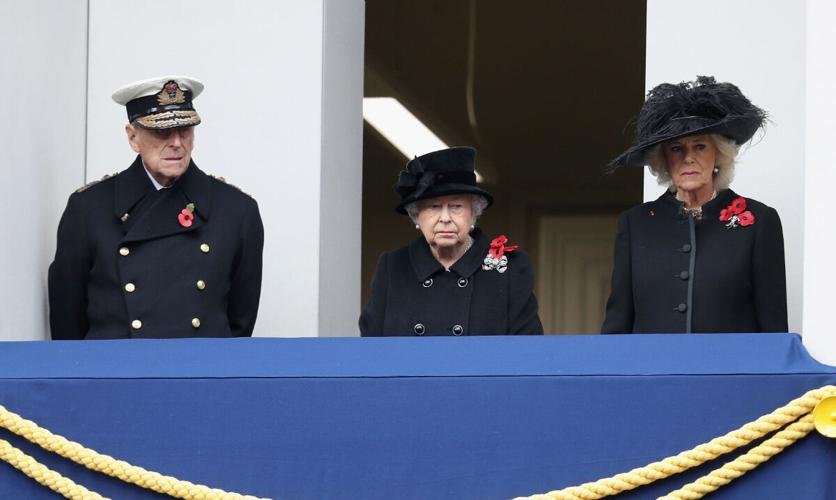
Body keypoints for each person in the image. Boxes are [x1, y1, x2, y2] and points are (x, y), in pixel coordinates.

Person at [48, 76, 264, 339]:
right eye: (161, 132)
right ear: (133, 137)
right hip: (116, 375)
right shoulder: (88, 209)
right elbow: (67, 326)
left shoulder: (236, 211)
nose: (176, 143)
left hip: (198, 373)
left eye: (184, 130)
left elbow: (240, 326)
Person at [601, 76, 787, 334]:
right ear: (664, 160)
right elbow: (618, 324)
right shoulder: (636, 223)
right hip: (654, 371)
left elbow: (773, 330)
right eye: (677, 148)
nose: (689, 158)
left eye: (700, 147)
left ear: (718, 154)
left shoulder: (759, 221)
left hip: (729, 371)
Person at [359, 147, 543, 336]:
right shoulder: (393, 267)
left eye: (456, 206)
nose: (445, 217)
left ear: (473, 214)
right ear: (416, 215)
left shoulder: (510, 268)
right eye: (434, 207)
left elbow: (528, 352)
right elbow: (371, 350)